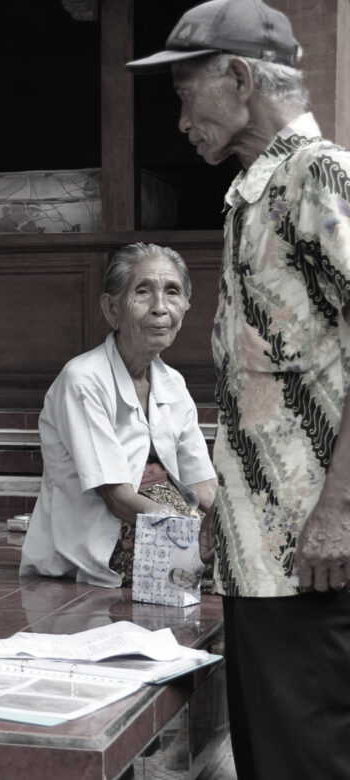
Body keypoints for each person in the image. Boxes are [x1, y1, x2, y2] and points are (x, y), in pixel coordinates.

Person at [127, 1, 350, 776]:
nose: (181, 117)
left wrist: (340, 510)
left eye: (188, 92)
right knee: (269, 756)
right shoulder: (256, 191)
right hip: (264, 553)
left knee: (306, 757)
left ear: (242, 78)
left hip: (311, 553)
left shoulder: (315, 175)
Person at [20, 242, 218, 588]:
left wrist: (221, 524)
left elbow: (202, 481)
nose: (160, 308)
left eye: (172, 293)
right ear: (112, 309)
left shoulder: (173, 383)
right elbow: (117, 498)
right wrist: (185, 530)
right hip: (105, 537)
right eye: (143, 292)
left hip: (168, 520)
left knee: (251, 551)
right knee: (215, 571)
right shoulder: (83, 379)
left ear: (185, 308)